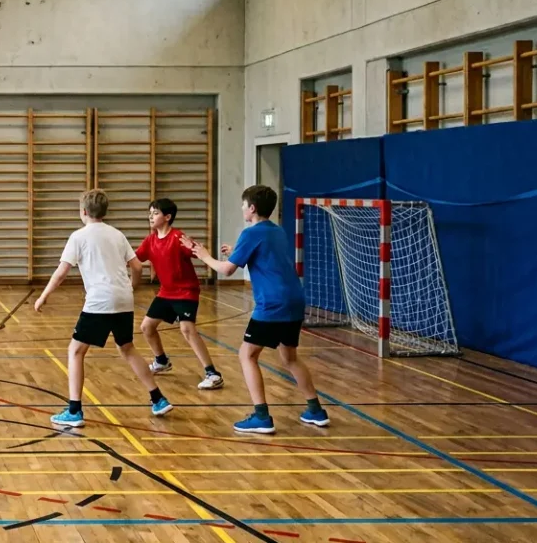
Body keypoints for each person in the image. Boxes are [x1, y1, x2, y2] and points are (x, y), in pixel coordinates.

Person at [184, 184, 329, 434]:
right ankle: (315, 410)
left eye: (243, 205)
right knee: (290, 357)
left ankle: (261, 416)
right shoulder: (277, 231)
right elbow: (264, 256)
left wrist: (204, 256)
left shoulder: (250, 233)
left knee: (247, 355)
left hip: (272, 303)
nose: (242, 208)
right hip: (294, 299)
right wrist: (236, 252)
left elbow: (227, 270)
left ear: (251, 208)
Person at [34, 189, 173, 426]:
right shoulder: (117, 235)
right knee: (127, 348)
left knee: (76, 351)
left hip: (99, 301)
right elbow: (137, 267)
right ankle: (158, 398)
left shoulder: (78, 237)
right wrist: (131, 288)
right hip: (123, 299)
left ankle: (74, 410)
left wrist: (43, 295)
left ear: (83, 212)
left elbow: (61, 272)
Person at [136, 198, 223, 390]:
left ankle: (212, 373)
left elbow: (198, 252)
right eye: (150, 213)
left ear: (167, 217)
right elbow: (135, 258)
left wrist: (205, 251)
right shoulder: (150, 241)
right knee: (147, 327)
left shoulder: (178, 237)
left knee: (187, 329)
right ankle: (161, 361)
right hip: (166, 292)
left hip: (186, 291)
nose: (151, 216)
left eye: (155, 213)